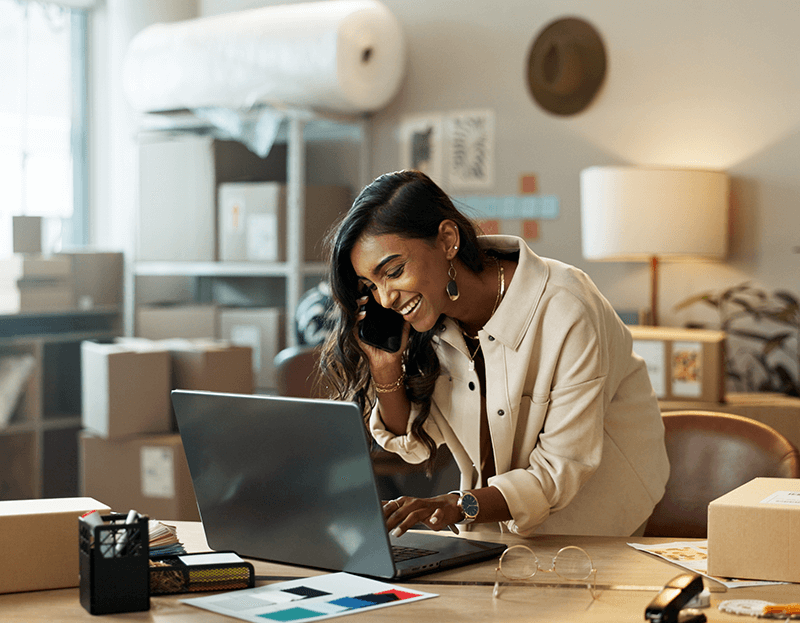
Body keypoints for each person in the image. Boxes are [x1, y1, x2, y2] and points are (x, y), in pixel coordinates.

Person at [319, 169, 669, 538]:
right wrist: (385, 369)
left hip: (595, 525)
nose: (385, 298)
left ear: (447, 240)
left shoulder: (565, 306)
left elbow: (560, 469)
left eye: (394, 271)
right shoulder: (432, 321)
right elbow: (415, 447)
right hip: (492, 525)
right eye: (371, 285)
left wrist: (457, 505)